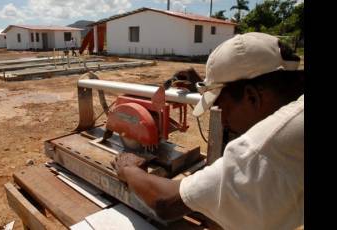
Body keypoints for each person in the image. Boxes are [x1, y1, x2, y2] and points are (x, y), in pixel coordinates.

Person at [111, 32, 304, 230]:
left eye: (221, 105)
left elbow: (165, 202)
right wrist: (205, 85)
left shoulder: (262, 147)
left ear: (252, 97)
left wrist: (129, 169)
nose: (223, 118)